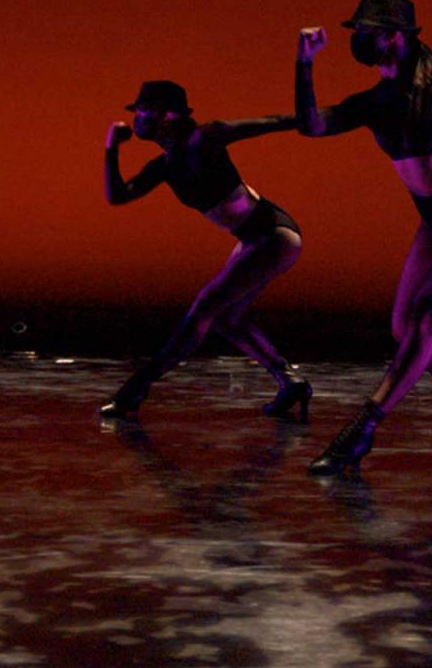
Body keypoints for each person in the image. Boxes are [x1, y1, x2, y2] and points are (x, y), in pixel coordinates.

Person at [294, 0, 432, 474]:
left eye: (367, 32)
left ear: (395, 36)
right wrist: (304, 64)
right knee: (404, 327)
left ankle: (363, 430)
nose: (358, 40)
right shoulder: (376, 102)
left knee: (421, 320)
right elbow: (311, 126)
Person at [98, 80, 310, 422]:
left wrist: (314, 118)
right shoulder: (165, 165)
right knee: (226, 319)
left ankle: (134, 391)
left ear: (171, 116)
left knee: (203, 312)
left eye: (145, 111)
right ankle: (291, 381)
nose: (138, 118)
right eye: (137, 111)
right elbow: (117, 196)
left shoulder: (205, 137)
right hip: (253, 240)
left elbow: (271, 122)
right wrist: (111, 149)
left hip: (274, 235)